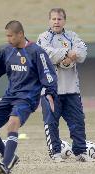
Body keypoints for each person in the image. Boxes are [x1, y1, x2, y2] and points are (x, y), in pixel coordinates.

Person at [0, 20, 57, 174]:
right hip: (9, 96)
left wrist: (50, 93)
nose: (8, 39)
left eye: (10, 36)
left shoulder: (37, 52)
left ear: (20, 34)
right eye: (6, 36)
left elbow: (48, 75)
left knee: (12, 123)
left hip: (27, 98)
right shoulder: (6, 51)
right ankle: (10, 157)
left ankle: (5, 164)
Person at [36, 8, 90, 162]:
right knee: (51, 123)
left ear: (64, 21)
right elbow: (46, 54)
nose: (56, 22)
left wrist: (71, 57)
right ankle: (56, 153)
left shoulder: (72, 36)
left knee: (77, 122)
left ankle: (80, 152)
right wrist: (68, 54)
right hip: (50, 90)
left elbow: (82, 52)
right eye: (53, 19)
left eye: (59, 19)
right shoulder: (43, 38)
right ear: (49, 21)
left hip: (71, 89)